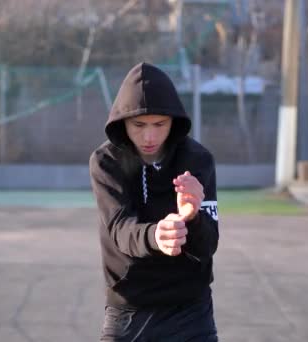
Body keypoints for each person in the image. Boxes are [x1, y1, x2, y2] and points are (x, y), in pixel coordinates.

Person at [89, 62, 219, 341]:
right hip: (129, 310)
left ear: (173, 121)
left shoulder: (197, 160)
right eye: (139, 125)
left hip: (191, 310)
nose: (149, 137)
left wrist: (194, 216)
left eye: (160, 125)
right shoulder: (106, 161)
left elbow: (208, 245)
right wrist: (156, 235)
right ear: (123, 121)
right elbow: (120, 228)